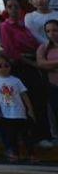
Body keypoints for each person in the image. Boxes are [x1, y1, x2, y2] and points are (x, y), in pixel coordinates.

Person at [0, 0, 50, 150]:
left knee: (40, 101)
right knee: (29, 103)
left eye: (16, 6)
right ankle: (34, 138)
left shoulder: (24, 26)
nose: (13, 9)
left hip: (33, 65)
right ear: (6, 10)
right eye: (10, 7)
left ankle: (44, 135)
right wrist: (34, 63)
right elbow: (12, 52)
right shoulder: (5, 26)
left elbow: (34, 45)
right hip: (21, 69)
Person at [0, 55, 36, 163]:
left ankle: (31, 154)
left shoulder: (16, 80)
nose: (3, 68)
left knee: (25, 135)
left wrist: (30, 109)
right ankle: (15, 154)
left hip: (20, 113)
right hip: (6, 114)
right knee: (11, 136)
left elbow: (24, 95)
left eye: (6, 65)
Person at [35, 19, 58, 148]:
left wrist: (51, 65)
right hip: (53, 86)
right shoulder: (43, 47)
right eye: (48, 31)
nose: (52, 33)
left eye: (55, 30)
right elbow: (41, 64)